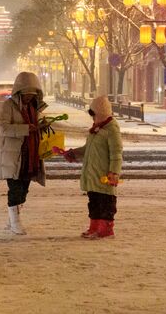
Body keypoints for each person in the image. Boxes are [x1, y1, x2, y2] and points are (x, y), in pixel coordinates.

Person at [63, 96, 123, 239]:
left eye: (94, 114)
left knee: (106, 204)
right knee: (94, 202)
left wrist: (114, 172)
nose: (93, 118)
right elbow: (87, 149)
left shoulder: (112, 130)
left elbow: (116, 153)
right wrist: (73, 153)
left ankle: (106, 230)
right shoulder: (96, 129)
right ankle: (94, 227)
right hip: (92, 175)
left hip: (104, 176)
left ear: (100, 114)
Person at [0, 72, 48, 235]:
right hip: (13, 155)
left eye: (32, 95)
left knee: (24, 189)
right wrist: (27, 129)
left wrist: (41, 125)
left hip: (30, 155)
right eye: (26, 95)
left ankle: (12, 220)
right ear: (19, 93)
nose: (28, 98)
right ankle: (15, 223)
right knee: (15, 189)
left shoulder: (34, 108)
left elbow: (35, 125)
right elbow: (3, 128)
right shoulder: (8, 106)